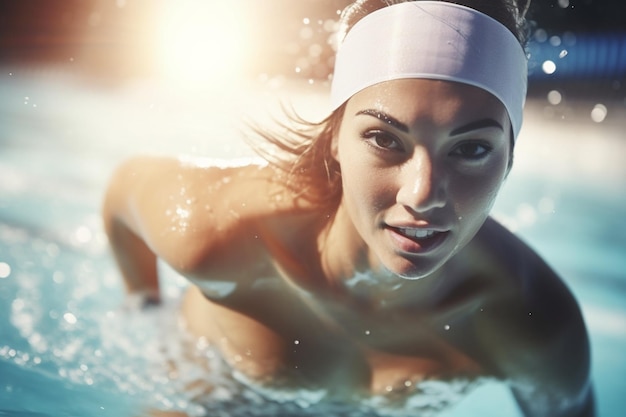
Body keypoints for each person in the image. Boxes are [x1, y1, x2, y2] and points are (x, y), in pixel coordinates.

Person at [102, 0, 595, 415]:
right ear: (335, 136)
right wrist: (144, 310)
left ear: (509, 160)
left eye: (470, 149)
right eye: (384, 139)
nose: (422, 194)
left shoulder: (534, 327)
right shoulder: (222, 235)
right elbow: (123, 192)